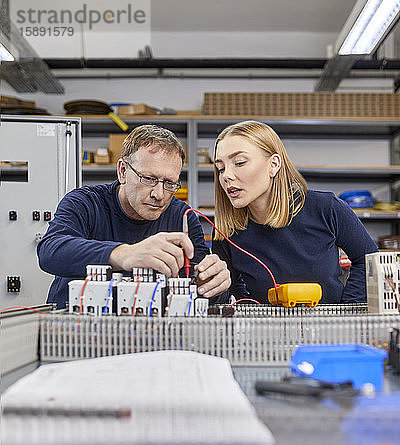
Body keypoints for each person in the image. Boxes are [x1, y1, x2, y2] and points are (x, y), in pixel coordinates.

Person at [37, 124, 230, 308]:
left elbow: (199, 287)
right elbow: (50, 251)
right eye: (148, 179)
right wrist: (124, 254)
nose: (159, 194)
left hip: (150, 334)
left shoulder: (182, 217)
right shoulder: (85, 202)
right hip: (75, 330)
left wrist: (214, 284)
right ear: (122, 171)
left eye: (170, 183)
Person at [212, 120, 378, 304]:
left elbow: (369, 259)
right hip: (264, 331)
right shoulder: (226, 230)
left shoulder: (326, 207)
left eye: (239, 162)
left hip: (330, 329)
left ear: (273, 164)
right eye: (220, 168)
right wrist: (248, 310)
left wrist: (348, 311)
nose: (226, 175)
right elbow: (230, 287)